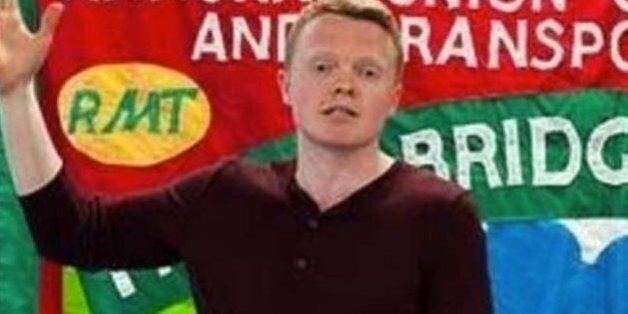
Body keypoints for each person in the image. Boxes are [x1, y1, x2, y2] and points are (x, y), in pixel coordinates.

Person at [0, 0, 493, 313]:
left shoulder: (440, 215)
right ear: (286, 84)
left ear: (393, 95)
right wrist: (16, 95)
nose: (343, 83)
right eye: (322, 66)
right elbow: (72, 232)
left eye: (367, 72)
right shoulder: (224, 196)